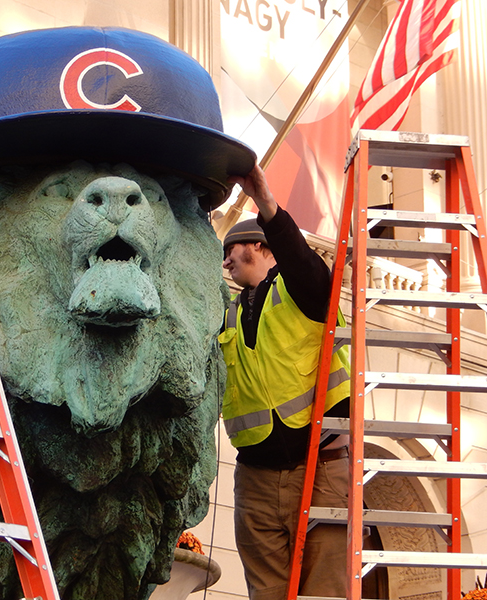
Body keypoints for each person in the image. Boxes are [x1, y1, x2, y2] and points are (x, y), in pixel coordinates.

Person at [218, 165, 351, 600]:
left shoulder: (301, 289)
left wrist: (268, 206)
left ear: (258, 246)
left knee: (324, 591)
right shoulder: (227, 317)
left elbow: (301, 261)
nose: (225, 262)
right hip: (255, 481)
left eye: (231, 250)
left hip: (320, 468)